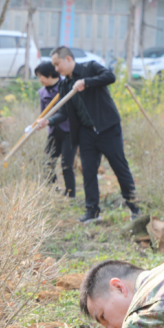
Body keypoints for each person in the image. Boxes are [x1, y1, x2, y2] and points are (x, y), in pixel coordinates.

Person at [36, 46, 139, 224]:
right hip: (85, 133)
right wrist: (49, 121)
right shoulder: (64, 84)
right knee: (88, 172)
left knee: (120, 167)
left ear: (68, 59)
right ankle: (92, 211)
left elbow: (110, 77)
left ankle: (134, 207)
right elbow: (65, 112)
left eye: (57, 64)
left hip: (107, 128)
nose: (56, 69)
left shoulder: (90, 68)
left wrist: (87, 82)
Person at [34, 61, 77, 198]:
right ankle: (52, 189)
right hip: (53, 132)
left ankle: (70, 195)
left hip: (69, 132)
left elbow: (69, 112)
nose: (40, 80)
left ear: (50, 74)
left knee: (66, 165)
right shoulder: (42, 92)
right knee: (47, 161)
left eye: (41, 76)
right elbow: (43, 113)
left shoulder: (66, 87)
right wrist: (39, 123)